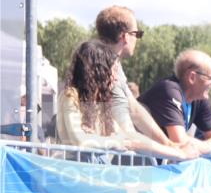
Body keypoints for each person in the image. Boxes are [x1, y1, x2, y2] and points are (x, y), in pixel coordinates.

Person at [56, 40, 195, 161]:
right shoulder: (70, 96)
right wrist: (119, 142)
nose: (115, 78)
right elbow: (81, 141)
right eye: (112, 71)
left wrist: (174, 150)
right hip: (76, 177)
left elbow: (130, 137)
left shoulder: (100, 105)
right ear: (98, 71)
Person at [94, 5, 182, 150]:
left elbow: (134, 109)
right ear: (125, 36)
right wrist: (173, 151)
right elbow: (128, 127)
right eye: (137, 34)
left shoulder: (112, 64)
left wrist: (168, 144)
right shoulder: (102, 67)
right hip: (93, 160)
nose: (137, 39)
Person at [139, 50, 211, 155]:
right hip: (131, 162)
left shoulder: (200, 98)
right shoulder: (168, 90)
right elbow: (180, 141)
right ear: (192, 77)